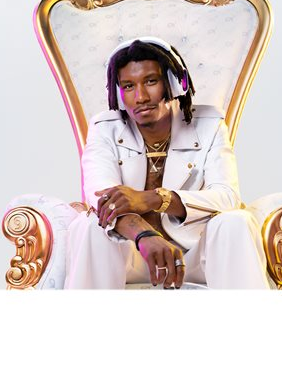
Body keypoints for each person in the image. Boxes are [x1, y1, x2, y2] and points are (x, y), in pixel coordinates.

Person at [64, 37, 268, 289]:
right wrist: (144, 234)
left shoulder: (209, 125)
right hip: (129, 254)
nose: (140, 97)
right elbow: (102, 201)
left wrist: (154, 199)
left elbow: (227, 197)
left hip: (193, 255)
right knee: (89, 225)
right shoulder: (104, 128)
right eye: (128, 86)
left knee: (236, 221)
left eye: (151, 81)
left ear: (174, 83)